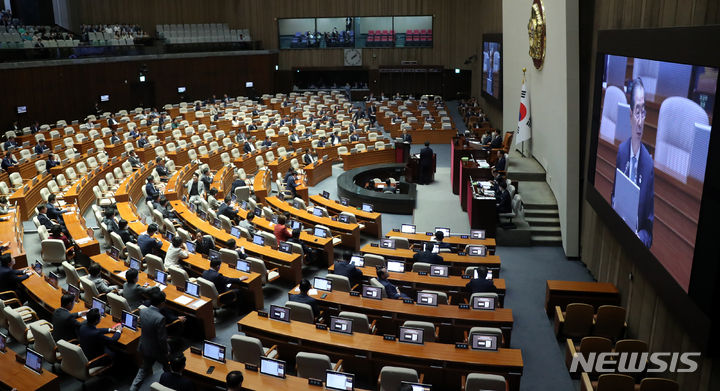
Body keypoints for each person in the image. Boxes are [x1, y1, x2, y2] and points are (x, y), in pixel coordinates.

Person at [611, 77, 654, 248]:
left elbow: (648, 232)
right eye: (637, 111)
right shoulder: (622, 152)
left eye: (643, 112)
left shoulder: (648, 165)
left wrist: (638, 239)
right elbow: (613, 197)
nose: (640, 120)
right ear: (630, 115)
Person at [130, 291, 170, 391]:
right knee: (168, 369)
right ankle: (169, 386)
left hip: (144, 346)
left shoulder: (143, 311)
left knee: (142, 372)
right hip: (157, 350)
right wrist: (166, 351)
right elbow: (161, 339)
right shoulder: (160, 318)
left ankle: (132, 389)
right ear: (161, 303)